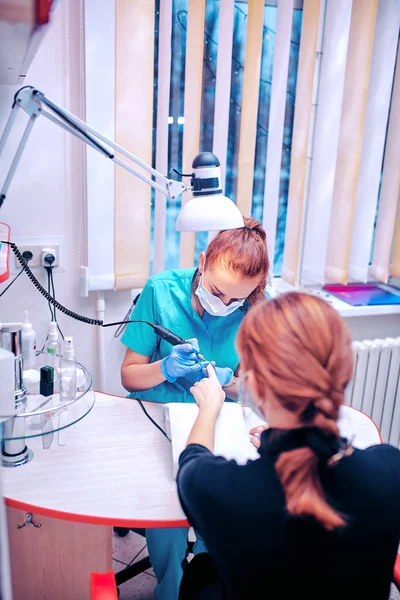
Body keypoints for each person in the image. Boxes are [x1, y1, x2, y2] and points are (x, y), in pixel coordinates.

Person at [177, 293, 400, 600]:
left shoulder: (219, 489)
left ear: (253, 386)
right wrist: (285, 440)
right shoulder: (390, 470)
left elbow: (192, 459)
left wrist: (209, 407)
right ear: (342, 375)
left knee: (201, 571)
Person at [120, 217, 270, 600]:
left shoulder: (255, 309)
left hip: (215, 423)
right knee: (167, 519)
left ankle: (205, 581)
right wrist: (163, 367)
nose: (224, 305)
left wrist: (229, 382)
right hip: (156, 421)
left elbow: (252, 392)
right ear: (203, 261)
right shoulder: (160, 290)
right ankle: (168, 590)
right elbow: (129, 377)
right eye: (218, 292)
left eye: (236, 299)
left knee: (218, 515)